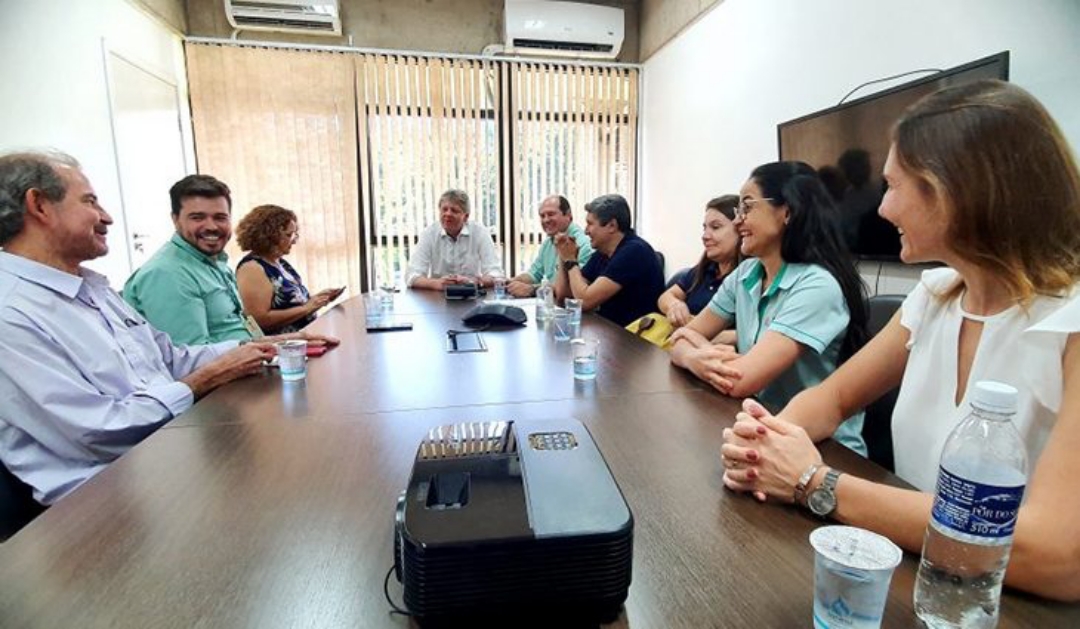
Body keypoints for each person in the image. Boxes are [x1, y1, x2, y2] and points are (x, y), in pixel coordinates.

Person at [719, 80, 1080, 601]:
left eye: (894, 186)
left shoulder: (1069, 322)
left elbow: (1057, 553)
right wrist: (765, 445)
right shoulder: (933, 297)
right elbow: (833, 398)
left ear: (956, 190)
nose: (882, 208)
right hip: (917, 577)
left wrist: (816, 483)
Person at [0, 151, 338, 505]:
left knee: (309, 462)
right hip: (108, 499)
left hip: (166, 452)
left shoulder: (91, 288)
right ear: (39, 206)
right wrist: (202, 381)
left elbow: (169, 357)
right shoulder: (13, 313)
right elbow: (98, 432)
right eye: (90, 201)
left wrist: (274, 343)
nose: (107, 217)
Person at [669, 162, 869, 455]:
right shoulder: (747, 273)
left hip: (822, 448)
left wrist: (695, 353)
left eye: (747, 207)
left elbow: (740, 381)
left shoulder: (817, 285)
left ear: (787, 211)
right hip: (760, 424)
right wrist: (696, 358)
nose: (738, 221)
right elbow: (678, 339)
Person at [123, 174, 253, 345]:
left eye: (220, 217)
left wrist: (288, 341)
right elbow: (192, 358)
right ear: (175, 220)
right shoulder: (167, 274)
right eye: (197, 218)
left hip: (250, 359)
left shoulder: (215, 262)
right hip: (232, 369)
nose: (211, 226)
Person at [553, 194, 665, 327]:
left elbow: (584, 301)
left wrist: (571, 260)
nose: (586, 231)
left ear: (612, 225)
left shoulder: (634, 251)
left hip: (636, 340)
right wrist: (563, 255)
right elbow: (564, 296)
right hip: (611, 332)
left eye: (590, 224)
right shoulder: (603, 253)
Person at [235, 204, 343, 335]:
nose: (294, 241)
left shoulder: (281, 263)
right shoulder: (252, 268)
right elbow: (259, 320)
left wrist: (317, 300)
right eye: (289, 235)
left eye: (295, 234)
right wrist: (307, 308)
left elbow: (292, 303)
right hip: (283, 347)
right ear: (270, 236)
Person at [657, 195, 741, 328]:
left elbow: (752, 337)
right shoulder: (705, 269)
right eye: (705, 228)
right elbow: (666, 296)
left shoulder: (749, 277)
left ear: (741, 230)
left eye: (715, 227)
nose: (705, 236)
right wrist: (674, 305)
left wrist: (695, 332)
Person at [405, 189, 505, 290]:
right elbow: (411, 276)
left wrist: (473, 282)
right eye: (444, 209)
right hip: (437, 297)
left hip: (472, 294)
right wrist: (436, 284)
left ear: (465, 217)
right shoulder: (429, 234)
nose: (448, 214)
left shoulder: (480, 233)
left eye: (454, 210)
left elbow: (496, 274)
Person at [506, 195, 592, 297]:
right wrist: (508, 283)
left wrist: (532, 290)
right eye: (542, 216)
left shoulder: (584, 244)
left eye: (551, 214)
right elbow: (534, 274)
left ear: (568, 215)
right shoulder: (548, 242)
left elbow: (571, 289)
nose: (546, 220)